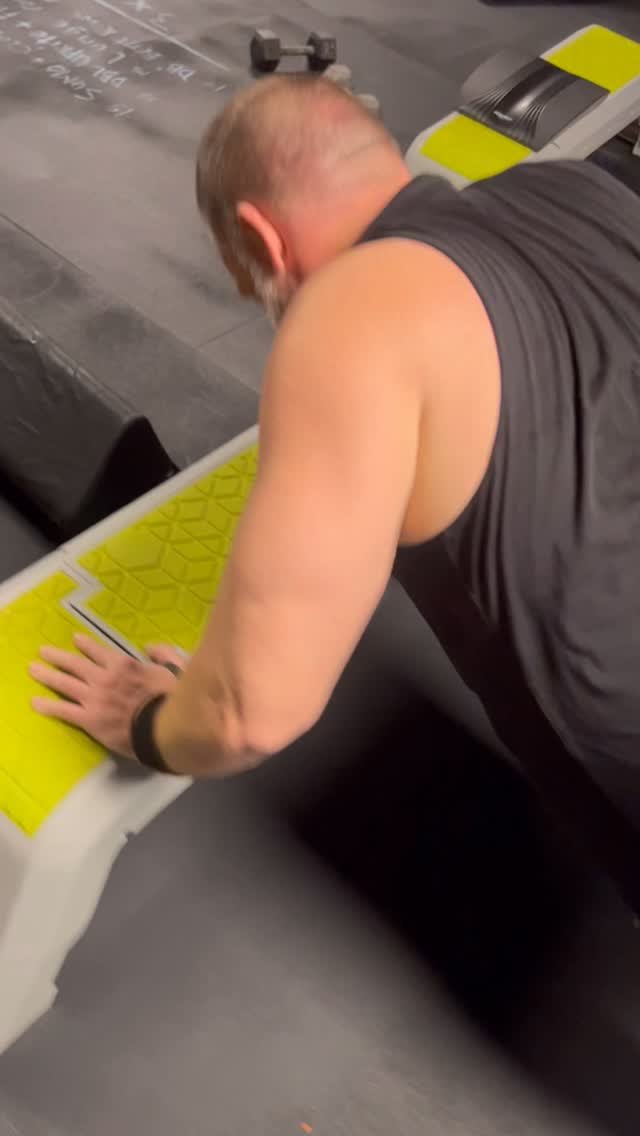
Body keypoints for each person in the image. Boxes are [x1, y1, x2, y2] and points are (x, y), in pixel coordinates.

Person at [30, 76, 640, 907]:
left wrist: (148, 721)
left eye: (249, 279)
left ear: (262, 237)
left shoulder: (353, 309)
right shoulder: (574, 188)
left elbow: (248, 713)